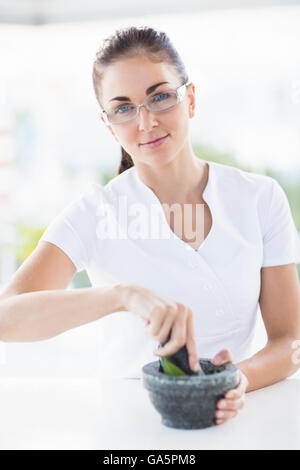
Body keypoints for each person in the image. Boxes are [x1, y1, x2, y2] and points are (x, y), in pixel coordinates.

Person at [1, 26, 300, 427]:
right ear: (108, 125)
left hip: (230, 425)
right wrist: (121, 296)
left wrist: (236, 380)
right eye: (123, 108)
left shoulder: (260, 199)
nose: (145, 123)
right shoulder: (94, 212)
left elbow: (289, 340)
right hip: (125, 427)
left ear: (189, 99)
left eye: (160, 97)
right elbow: (7, 319)